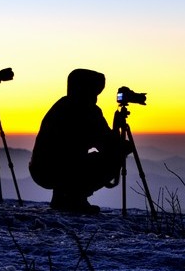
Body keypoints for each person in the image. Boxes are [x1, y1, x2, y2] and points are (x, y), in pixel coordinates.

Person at [29, 68, 127, 213]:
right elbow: (105, 141)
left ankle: (63, 197)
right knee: (113, 154)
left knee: (76, 157)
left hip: (41, 169)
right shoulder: (87, 111)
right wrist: (118, 139)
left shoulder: (61, 105)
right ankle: (75, 199)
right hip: (58, 169)